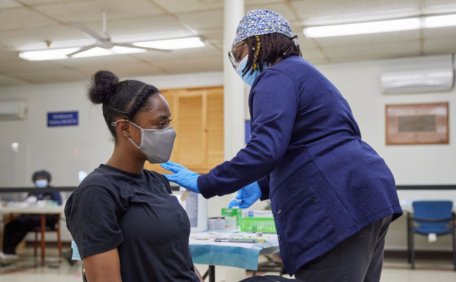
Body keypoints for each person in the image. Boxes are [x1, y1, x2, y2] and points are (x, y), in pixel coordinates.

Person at [164, 9, 402, 282]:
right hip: (367, 194)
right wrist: (261, 185)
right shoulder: (306, 74)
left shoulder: (275, 77)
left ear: (259, 44)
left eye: (239, 53)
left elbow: (266, 149)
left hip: (340, 203)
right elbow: (308, 143)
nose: (238, 63)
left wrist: (207, 183)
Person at [64, 71, 203, 282]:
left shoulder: (158, 182)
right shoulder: (96, 192)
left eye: (169, 122)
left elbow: (182, 260)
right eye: (160, 123)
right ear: (125, 128)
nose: (170, 131)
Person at [0, 170, 62, 265]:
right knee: (10, 225)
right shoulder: (33, 191)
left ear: (47, 179)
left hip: (47, 218)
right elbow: (26, 202)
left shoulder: (53, 190)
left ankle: (10, 250)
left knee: (27, 222)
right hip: (30, 215)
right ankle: (7, 253)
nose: (40, 180)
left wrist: (44, 204)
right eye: (38, 179)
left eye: (42, 178)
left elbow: (59, 203)